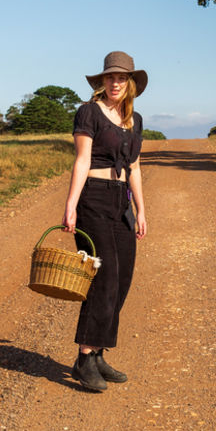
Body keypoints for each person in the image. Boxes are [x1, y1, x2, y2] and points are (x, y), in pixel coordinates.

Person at [61, 50, 148, 392]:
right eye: (110, 77)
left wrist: (142, 209)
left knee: (123, 276)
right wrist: (71, 206)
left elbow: (136, 168)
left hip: (121, 200)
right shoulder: (88, 113)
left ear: (130, 84)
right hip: (93, 198)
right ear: (102, 81)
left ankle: (97, 353)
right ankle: (84, 358)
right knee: (104, 274)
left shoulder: (134, 120)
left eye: (122, 78)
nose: (115, 83)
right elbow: (82, 161)